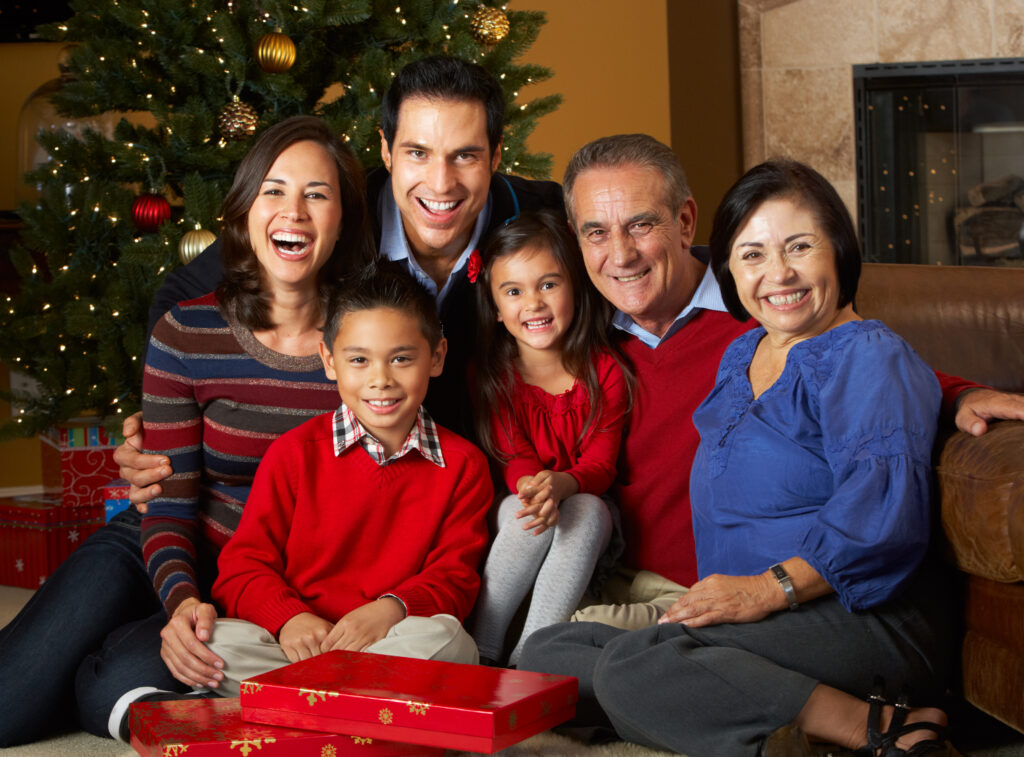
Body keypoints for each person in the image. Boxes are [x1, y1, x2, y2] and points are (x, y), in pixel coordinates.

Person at [519, 159, 961, 756]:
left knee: (633, 668)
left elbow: (882, 526)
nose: (778, 273)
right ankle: (747, 709)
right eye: (753, 254)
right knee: (550, 653)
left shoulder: (870, 355)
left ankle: (878, 727)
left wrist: (765, 591)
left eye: (799, 246)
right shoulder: (744, 353)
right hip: (749, 623)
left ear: (838, 249)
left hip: (859, 617)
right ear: (730, 267)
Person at [0, 115, 375, 745]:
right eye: (274, 190)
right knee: (8, 703)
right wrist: (179, 600)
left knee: (121, 682)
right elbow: (168, 505)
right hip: (160, 541)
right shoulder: (186, 331)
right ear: (246, 208)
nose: (294, 212)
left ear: (344, 219)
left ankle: (100, 656)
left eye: (317, 194)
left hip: (257, 580)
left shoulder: (368, 344)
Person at [557, 133, 1024, 630]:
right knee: (555, 649)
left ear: (685, 221)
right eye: (596, 232)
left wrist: (958, 393)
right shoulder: (571, 327)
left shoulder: (768, 306)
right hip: (611, 575)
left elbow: (863, 371)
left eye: (641, 224)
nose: (621, 255)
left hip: (724, 597)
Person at [110, 262, 491, 740]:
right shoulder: (293, 453)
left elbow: (455, 577)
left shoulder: (463, 465)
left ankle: (287, 713)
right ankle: (365, 716)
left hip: (389, 642)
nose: (380, 380)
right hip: (293, 647)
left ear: (436, 357)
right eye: (359, 360)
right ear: (329, 361)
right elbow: (243, 566)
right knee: (218, 642)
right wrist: (289, 618)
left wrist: (391, 609)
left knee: (449, 642)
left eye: (401, 359)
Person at [467, 209, 629, 667]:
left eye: (549, 284)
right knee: (525, 512)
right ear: (495, 308)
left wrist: (564, 484)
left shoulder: (605, 371)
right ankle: (483, 647)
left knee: (586, 509)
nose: (533, 303)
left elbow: (601, 463)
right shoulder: (493, 376)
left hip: (586, 503)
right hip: (520, 496)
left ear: (574, 287)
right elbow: (513, 455)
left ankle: (530, 655)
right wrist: (535, 487)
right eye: (513, 291)